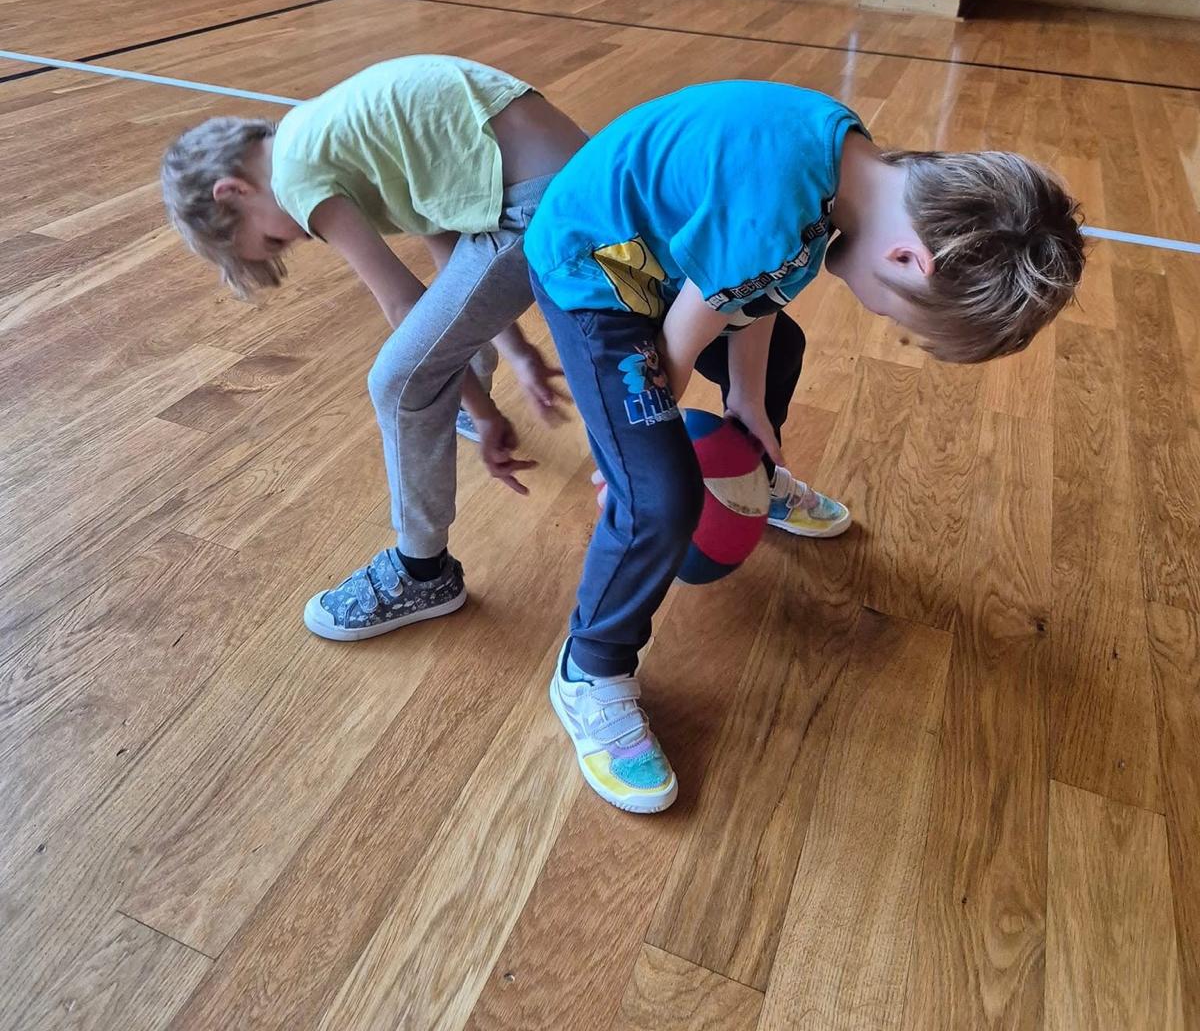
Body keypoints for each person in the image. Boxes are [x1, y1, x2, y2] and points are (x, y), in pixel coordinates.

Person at [524, 79, 1086, 812]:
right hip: (594, 275)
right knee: (659, 497)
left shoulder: (843, 168)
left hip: (662, 262)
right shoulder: (777, 210)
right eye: (902, 320)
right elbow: (672, 355)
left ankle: (750, 479)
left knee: (778, 350)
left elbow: (756, 289)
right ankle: (590, 669)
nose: (888, 320)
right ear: (912, 260)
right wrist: (630, 458)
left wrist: (748, 403)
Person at [161, 53, 586, 640]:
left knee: (398, 380)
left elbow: (404, 305)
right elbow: (448, 237)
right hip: (569, 178)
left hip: (542, 205)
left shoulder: (296, 175)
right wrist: (514, 353)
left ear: (233, 190)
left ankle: (422, 573)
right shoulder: (325, 131)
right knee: (436, 338)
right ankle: (460, 405)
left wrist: (487, 413)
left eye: (274, 241)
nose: (298, 239)